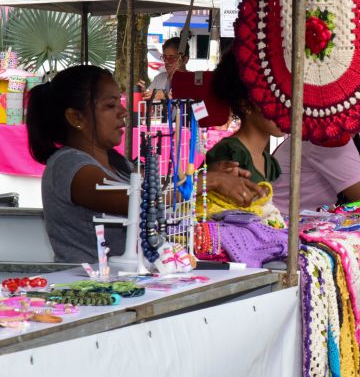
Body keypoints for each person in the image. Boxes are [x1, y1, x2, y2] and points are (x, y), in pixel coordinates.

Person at [27, 65, 266, 263]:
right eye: (110, 106)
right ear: (75, 117)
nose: (122, 111)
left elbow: (155, 189)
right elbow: (133, 201)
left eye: (119, 102)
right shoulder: (67, 164)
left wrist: (209, 175)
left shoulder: (116, 162)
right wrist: (209, 181)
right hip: (86, 285)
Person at [205, 51, 283, 184]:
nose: (284, 111)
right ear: (245, 105)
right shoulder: (229, 153)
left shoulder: (270, 163)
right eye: (274, 101)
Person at [139, 36, 189, 101]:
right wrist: (145, 93)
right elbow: (149, 97)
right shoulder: (159, 78)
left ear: (185, 60)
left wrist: (164, 95)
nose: (167, 61)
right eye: (165, 57)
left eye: (172, 57)